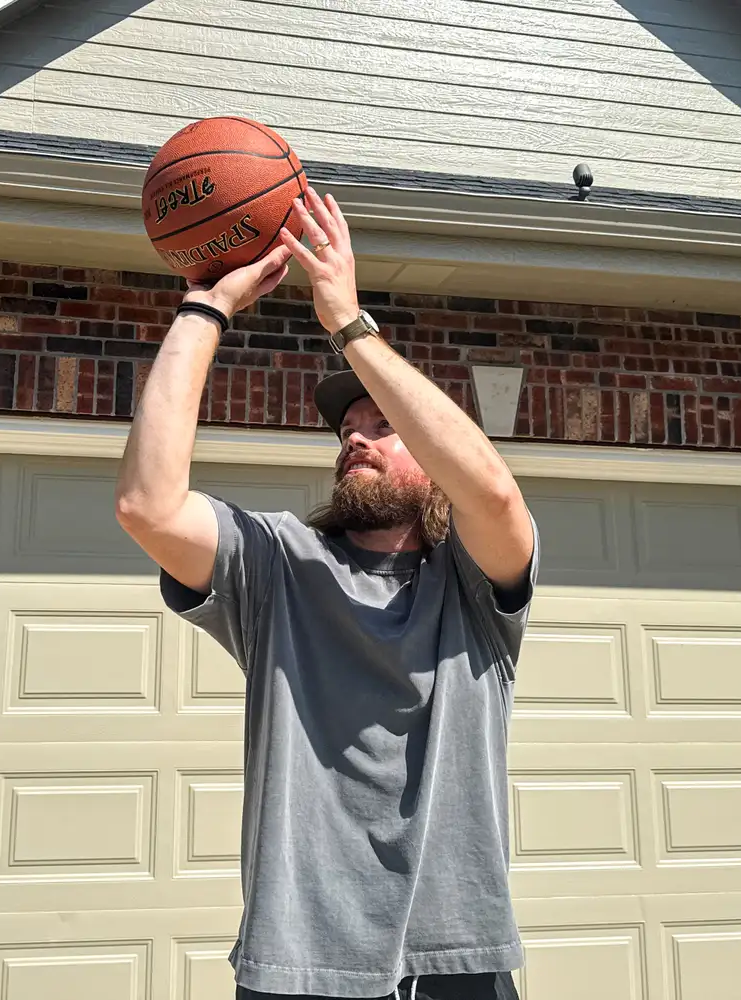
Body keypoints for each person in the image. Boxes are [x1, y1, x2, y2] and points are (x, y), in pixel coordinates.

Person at [114, 189, 538, 1000]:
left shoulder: (475, 588)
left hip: (459, 961)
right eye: (348, 432)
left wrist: (348, 321)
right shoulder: (279, 565)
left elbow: (491, 491)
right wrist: (205, 309)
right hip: (299, 965)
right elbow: (147, 505)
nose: (354, 439)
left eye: (383, 428)